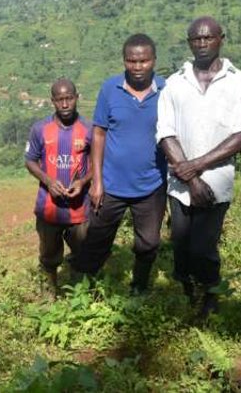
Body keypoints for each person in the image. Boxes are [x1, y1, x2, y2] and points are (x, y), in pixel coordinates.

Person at [156, 16, 241, 317]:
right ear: (189, 42)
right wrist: (189, 178)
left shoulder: (239, 81)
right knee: (181, 243)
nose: (202, 44)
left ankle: (211, 293)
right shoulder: (175, 83)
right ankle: (186, 289)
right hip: (180, 184)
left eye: (208, 38)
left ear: (220, 38)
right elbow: (165, 132)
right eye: (196, 39)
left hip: (217, 181)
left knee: (204, 245)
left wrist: (196, 167)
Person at [72, 34, 167, 295]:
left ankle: (139, 285)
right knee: (97, 240)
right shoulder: (110, 89)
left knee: (148, 244)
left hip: (151, 185)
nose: (137, 66)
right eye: (131, 61)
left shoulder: (166, 90)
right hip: (111, 185)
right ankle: (83, 289)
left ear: (154, 60)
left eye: (144, 60)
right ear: (124, 61)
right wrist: (97, 182)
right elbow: (99, 133)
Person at [24, 78, 92, 296]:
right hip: (49, 208)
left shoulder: (89, 129)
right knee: (48, 256)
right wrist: (48, 181)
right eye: (60, 100)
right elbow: (30, 160)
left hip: (79, 209)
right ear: (52, 101)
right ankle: (48, 296)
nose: (65, 104)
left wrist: (82, 181)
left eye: (69, 98)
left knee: (82, 254)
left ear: (76, 98)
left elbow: (100, 164)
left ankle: (79, 296)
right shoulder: (40, 129)